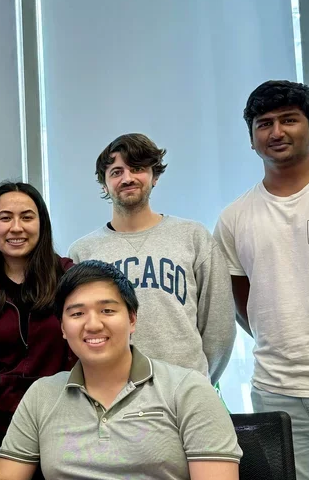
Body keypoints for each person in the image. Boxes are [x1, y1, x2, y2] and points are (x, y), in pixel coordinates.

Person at [0, 261, 242, 480]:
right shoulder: (42, 395)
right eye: (76, 314)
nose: (93, 324)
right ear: (62, 328)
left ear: (132, 319)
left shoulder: (188, 388)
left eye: (107, 310)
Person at [214, 80, 309, 480]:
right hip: (277, 388)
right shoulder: (235, 216)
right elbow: (242, 299)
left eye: (289, 120)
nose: (276, 132)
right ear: (252, 137)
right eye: (264, 123)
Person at [69, 133, 235, 382]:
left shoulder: (193, 236)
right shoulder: (83, 252)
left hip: (185, 389)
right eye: (116, 172)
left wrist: (198, 382)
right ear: (104, 184)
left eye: (137, 168)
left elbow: (219, 326)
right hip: (113, 391)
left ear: (154, 176)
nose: (127, 178)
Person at [0, 182, 74, 446]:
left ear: (42, 224)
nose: (16, 227)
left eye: (27, 217)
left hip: (63, 421)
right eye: (5, 218)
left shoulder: (68, 277)